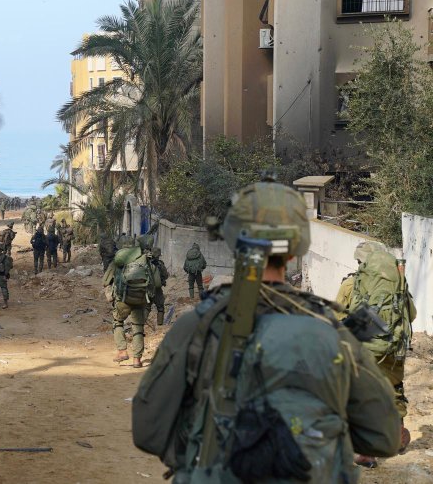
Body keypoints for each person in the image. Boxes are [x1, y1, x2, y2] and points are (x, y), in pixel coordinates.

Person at [132, 182, 401, 483]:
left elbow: (148, 430)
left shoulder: (196, 326)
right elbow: (383, 437)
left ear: (234, 244)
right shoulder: (330, 331)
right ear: (294, 250)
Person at [337, 246, 416, 468]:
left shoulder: (351, 284)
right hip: (393, 349)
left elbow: (336, 316)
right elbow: (412, 314)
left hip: (366, 348)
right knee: (395, 390)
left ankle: (365, 453)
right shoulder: (398, 282)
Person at [104, 235, 155, 369]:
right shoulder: (143, 257)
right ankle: (137, 360)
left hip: (123, 299)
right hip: (140, 298)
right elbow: (152, 279)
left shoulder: (118, 259)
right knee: (138, 327)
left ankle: (122, 351)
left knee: (117, 322)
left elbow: (105, 280)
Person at [145, 247, 168, 325]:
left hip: (147, 288)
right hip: (157, 289)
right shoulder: (160, 264)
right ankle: (160, 325)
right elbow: (165, 275)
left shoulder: (146, 263)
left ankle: (141, 324)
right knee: (160, 307)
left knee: (147, 307)